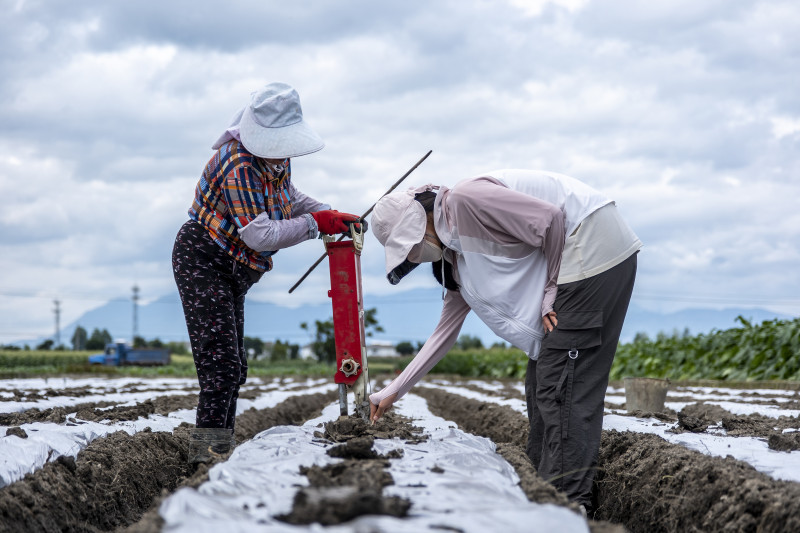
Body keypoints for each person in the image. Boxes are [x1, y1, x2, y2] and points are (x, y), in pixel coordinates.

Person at [368, 169, 641, 512]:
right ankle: (543, 490)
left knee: (561, 383)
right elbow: (443, 333)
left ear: (420, 222)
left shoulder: (466, 200)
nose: (415, 254)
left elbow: (551, 219)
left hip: (591, 245)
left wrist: (551, 289)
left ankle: (568, 506)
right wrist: (394, 390)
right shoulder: (457, 260)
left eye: (411, 245)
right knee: (541, 378)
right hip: (577, 259)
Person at [172, 83, 360, 463]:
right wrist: (314, 225)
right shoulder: (237, 162)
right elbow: (258, 234)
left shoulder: (276, 159)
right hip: (204, 260)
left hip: (235, 270)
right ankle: (205, 457)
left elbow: (288, 197)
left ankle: (218, 449)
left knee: (235, 367)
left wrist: (329, 212)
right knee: (220, 366)